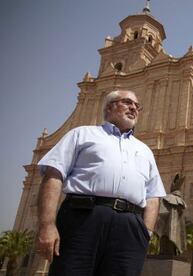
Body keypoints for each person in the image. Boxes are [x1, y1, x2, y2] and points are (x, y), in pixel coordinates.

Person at [36, 90, 166, 276]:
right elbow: (53, 174)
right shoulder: (81, 134)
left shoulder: (145, 150)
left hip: (130, 227)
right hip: (83, 217)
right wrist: (47, 225)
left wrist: (146, 233)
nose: (134, 108)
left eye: (137, 106)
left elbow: (153, 195)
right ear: (110, 106)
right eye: (128, 102)